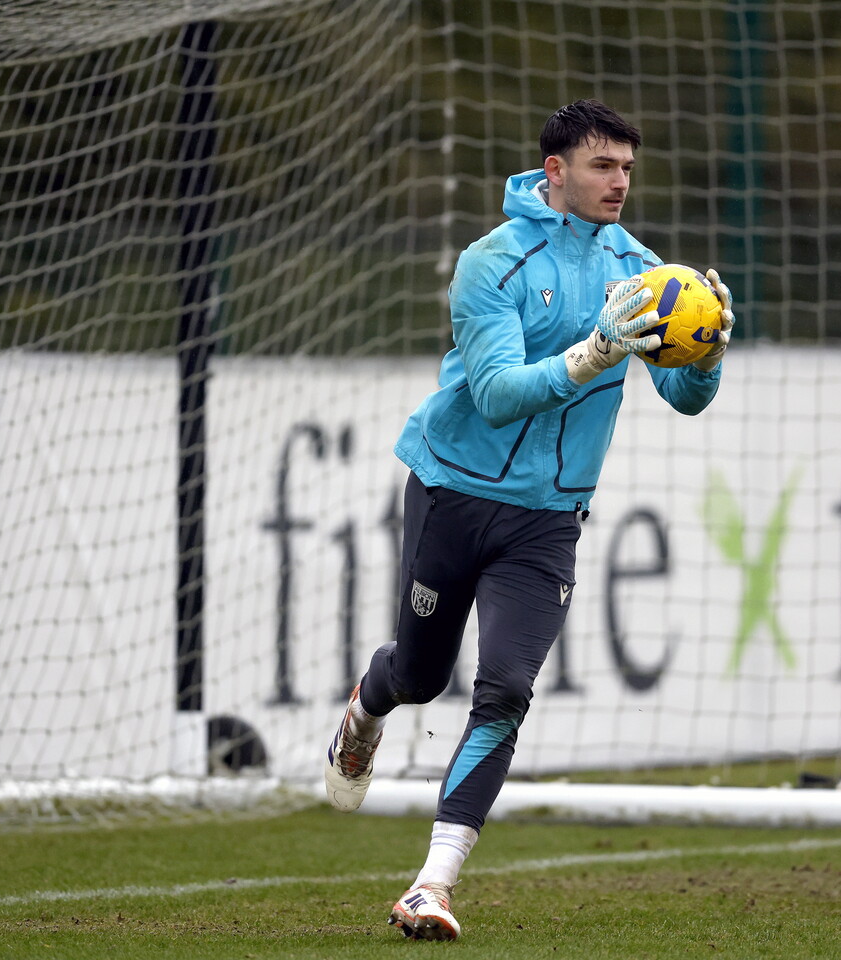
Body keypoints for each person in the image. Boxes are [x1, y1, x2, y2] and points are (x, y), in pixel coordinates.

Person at [323, 98, 734, 941]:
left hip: (547, 521)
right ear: (555, 173)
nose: (619, 182)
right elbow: (499, 395)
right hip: (453, 495)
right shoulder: (492, 263)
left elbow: (685, 399)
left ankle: (431, 886)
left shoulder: (643, 271)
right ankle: (366, 708)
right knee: (419, 678)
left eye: (627, 167)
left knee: (506, 688)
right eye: (601, 166)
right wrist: (594, 352)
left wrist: (711, 354)